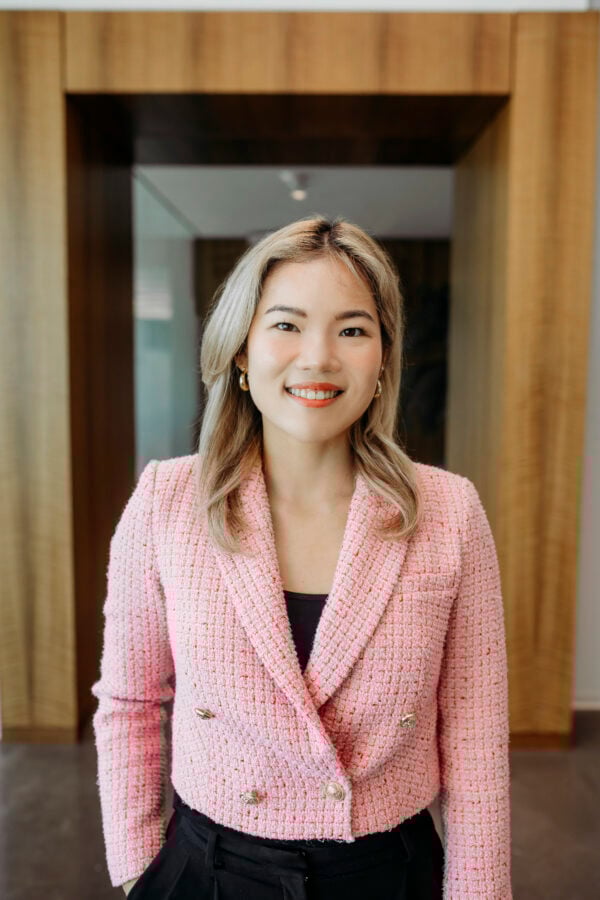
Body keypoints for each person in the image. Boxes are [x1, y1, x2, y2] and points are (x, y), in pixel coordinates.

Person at [91, 215, 512, 899]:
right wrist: (141, 869)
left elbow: (476, 733)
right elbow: (131, 701)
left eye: (352, 330)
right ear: (241, 352)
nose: (318, 357)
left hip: (389, 871)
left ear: (382, 358)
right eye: (286, 325)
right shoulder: (168, 499)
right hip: (210, 868)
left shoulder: (448, 511)